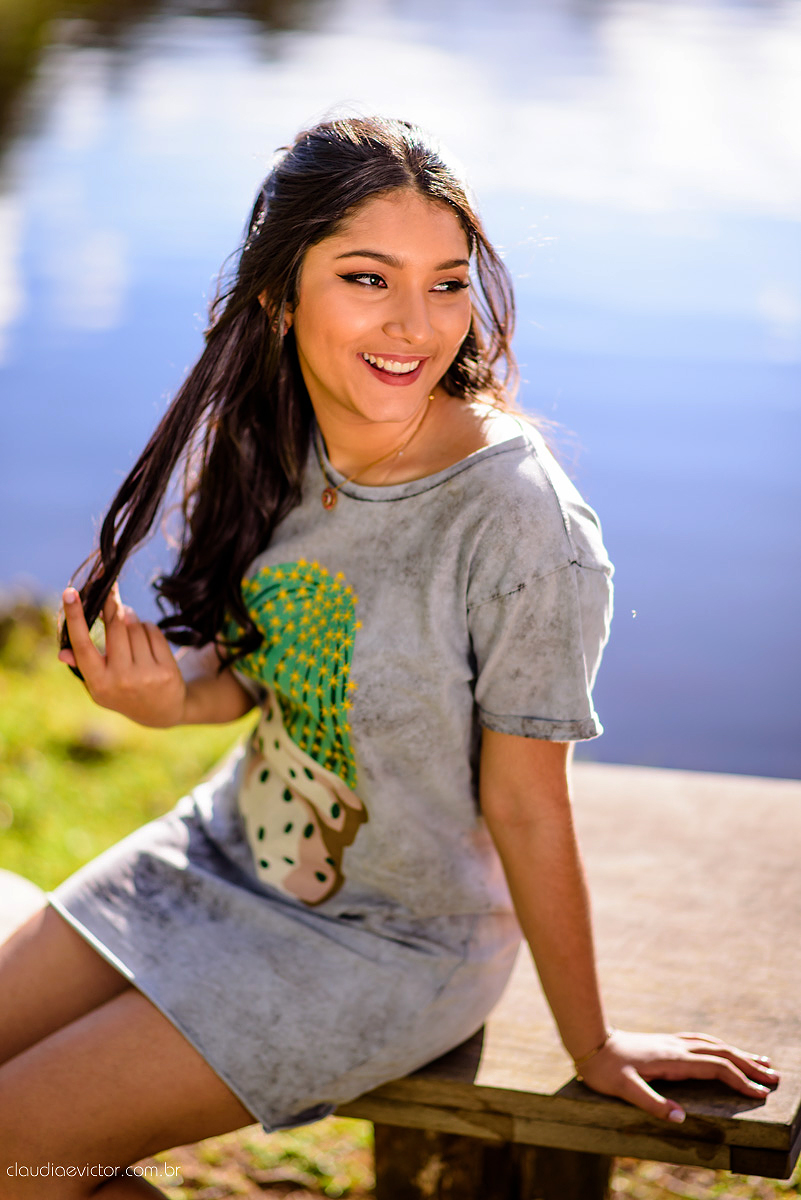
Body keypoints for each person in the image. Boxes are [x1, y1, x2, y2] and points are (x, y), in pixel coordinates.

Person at [0, 115, 777, 1197]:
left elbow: (526, 807)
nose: (418, 325)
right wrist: (162, 700)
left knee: (14, 1145)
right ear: (281, 294)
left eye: (448, 282)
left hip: (389, 946)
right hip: (217, 854)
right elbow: (252, 674)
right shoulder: (276, 428)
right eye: (369, 277)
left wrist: (591, 1043)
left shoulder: (521, 526)